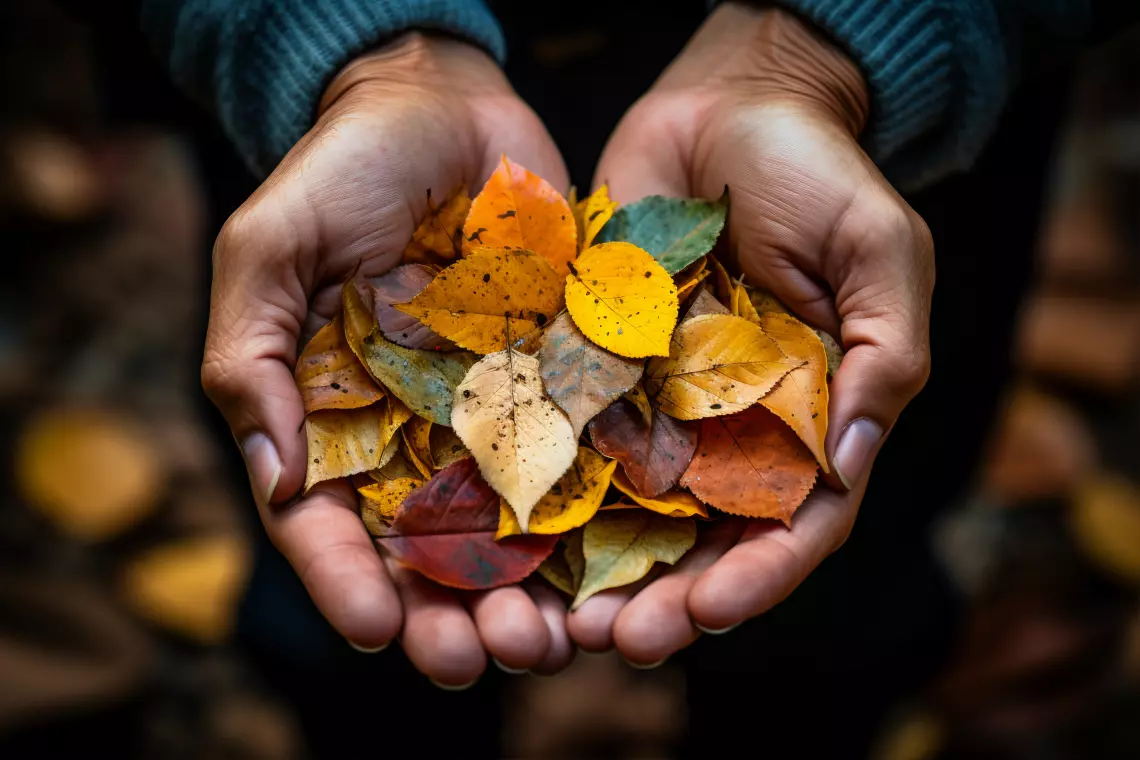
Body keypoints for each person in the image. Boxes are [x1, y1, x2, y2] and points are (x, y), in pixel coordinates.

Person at [134, 0, 1126, 689]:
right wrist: (349, 49)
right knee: (334, 629)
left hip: (881, 126)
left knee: (847, 597)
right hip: (374, 149)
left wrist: (830, 48)